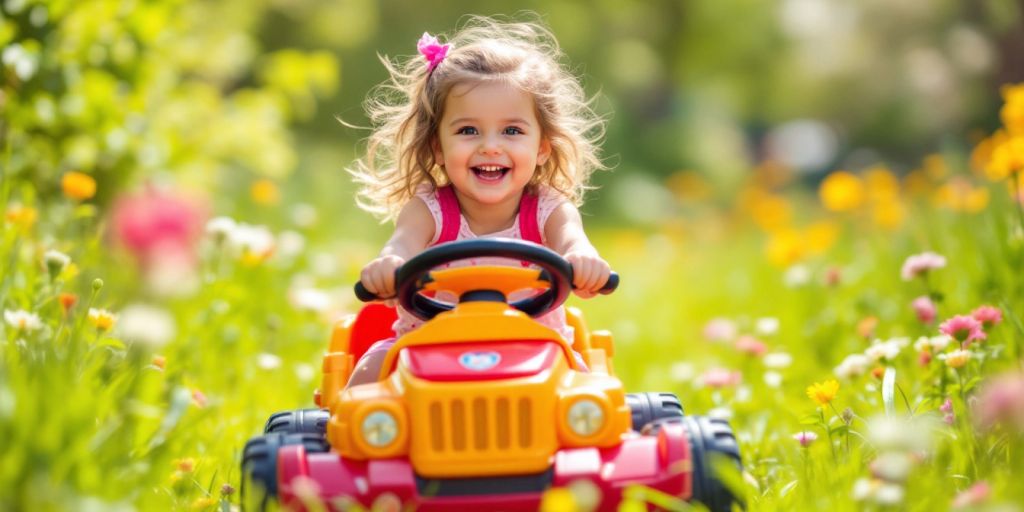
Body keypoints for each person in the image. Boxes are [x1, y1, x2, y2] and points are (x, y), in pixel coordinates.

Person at [346, 16, 610, 387]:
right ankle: (350, 438)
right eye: (468, 130)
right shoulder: (428, 210)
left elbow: (573, 241)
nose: (490, 145)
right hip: (423, 351)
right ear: (438, 147)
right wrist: (389, 266)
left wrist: (583, 261)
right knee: (367, 376)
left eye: (512, 131)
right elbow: (401, 245)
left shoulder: (551, 210)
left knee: (589, 391)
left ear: (542, 148)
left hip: (538, 354)